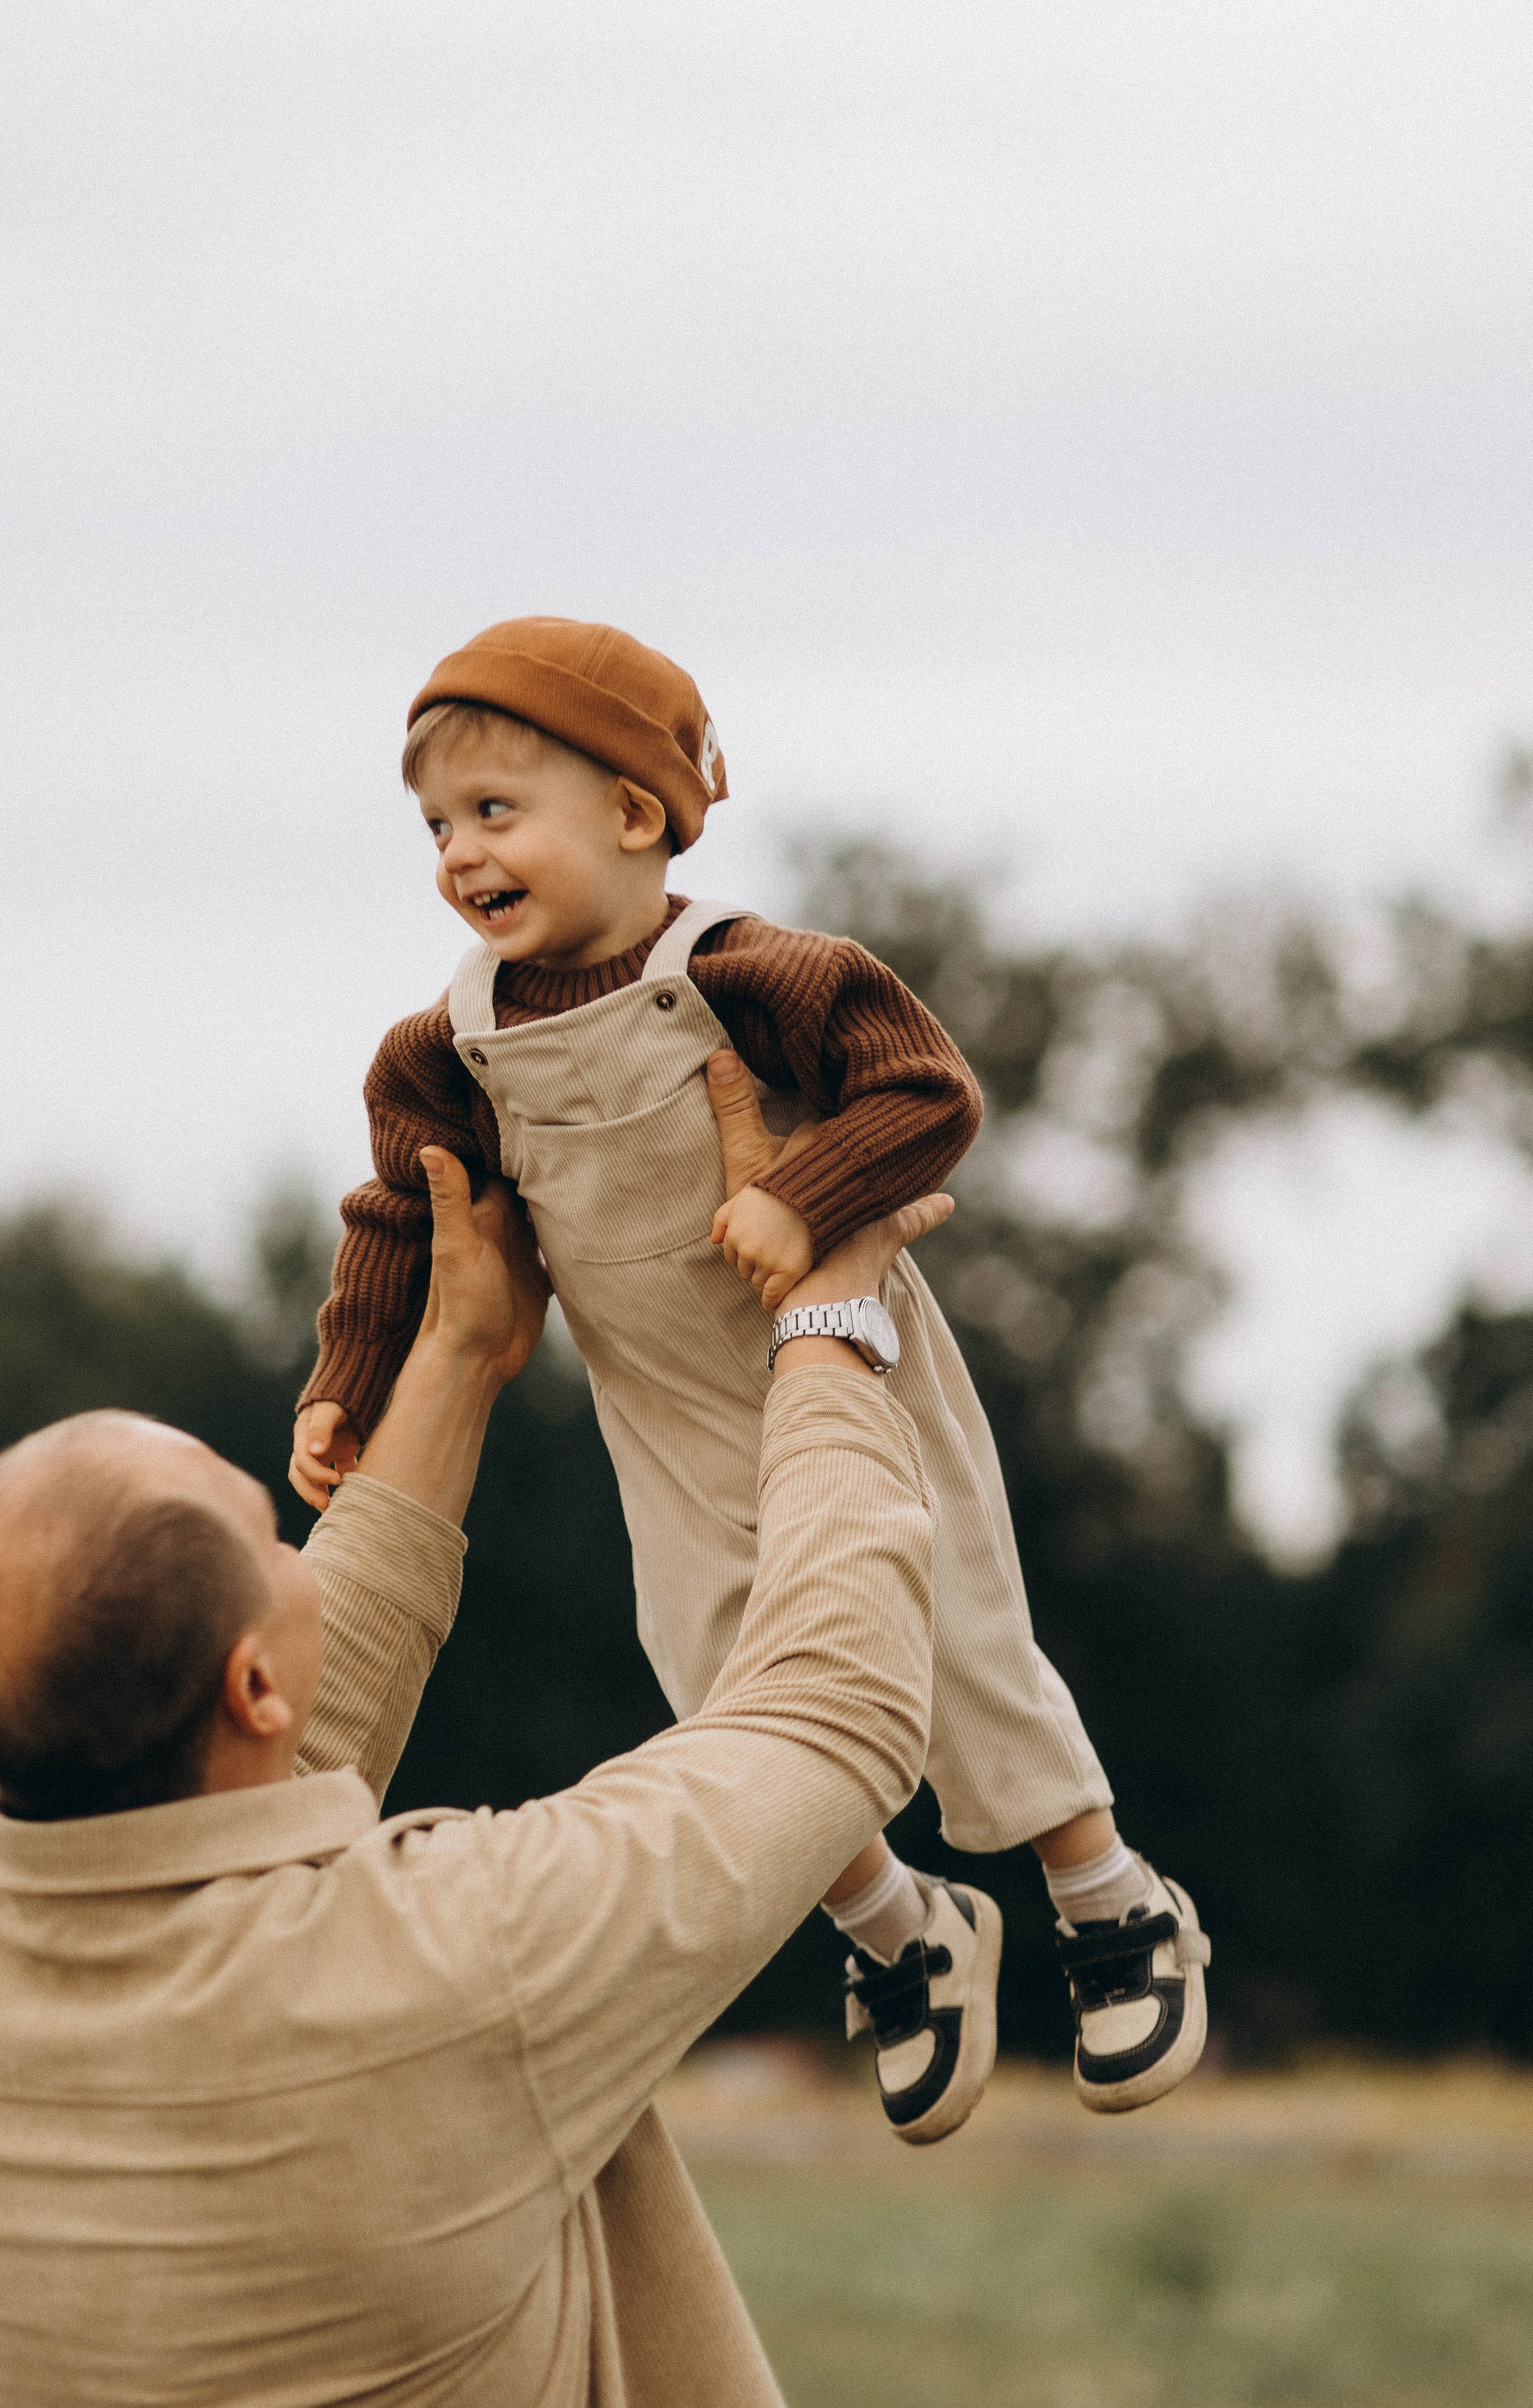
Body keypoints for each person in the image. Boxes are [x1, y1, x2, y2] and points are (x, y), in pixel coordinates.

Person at [0, 1072, 953, 2408]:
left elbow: (256, 1771)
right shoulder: (459, 1960)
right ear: (250, 1686)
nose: (299, 1545)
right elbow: (830, 1705)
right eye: (271, 1535)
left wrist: (455, 1354)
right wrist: (827, 1324)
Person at [290, 617, 1210, 2133]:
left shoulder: (743, 971)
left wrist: (804, 1194)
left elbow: (926, 1088)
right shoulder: (440, 1052)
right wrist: (348, 1376)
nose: (460, 852)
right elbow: (406, 1217)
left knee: (955, 1628)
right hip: (657, 1406)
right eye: (438, 824)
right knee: (720, 1675)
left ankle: (1104, 1893)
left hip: (852, 1368)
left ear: (635, 815)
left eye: (495, 811)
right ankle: (898, 1928)